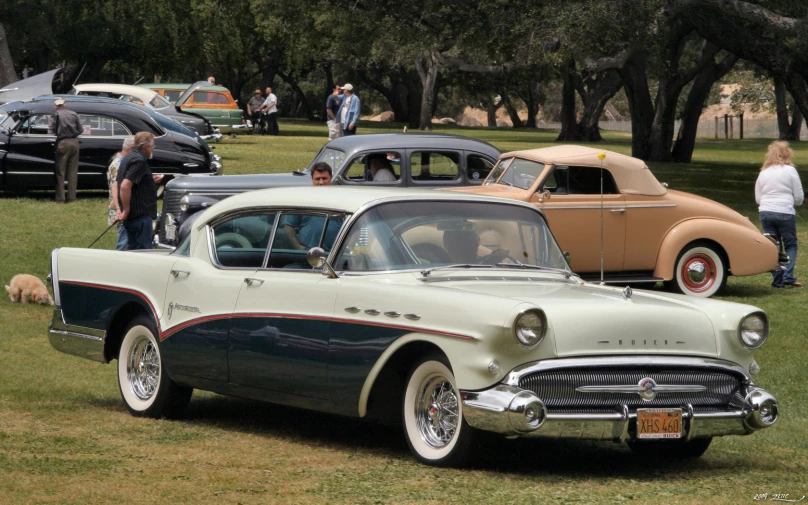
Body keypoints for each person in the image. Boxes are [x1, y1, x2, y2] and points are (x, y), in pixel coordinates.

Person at [755, 140, 804, 288]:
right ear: (787, 154)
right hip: (784, 211)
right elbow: (799, 196)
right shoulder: (790, 171)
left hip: (765, 211)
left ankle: (777, 278)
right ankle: (788, 276)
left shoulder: (763, 172)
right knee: (790, 245)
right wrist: (794, 203)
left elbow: (758, 197)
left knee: (773, 246)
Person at [116, 132, 163, 250]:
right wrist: (126, 209)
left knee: (132, 250)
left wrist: (149, 180)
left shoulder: (128, 157)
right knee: (143, 251)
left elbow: (125, 181)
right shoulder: (139, 160)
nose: (153, 149)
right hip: (139, 215)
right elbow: (124, 186)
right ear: (146, 147)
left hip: (133, 216)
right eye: (152, 146)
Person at [282, 163, 340, 251]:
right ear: (312, 180)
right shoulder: (302, 200)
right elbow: (288, 226)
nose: (321, 182)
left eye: (324, 178)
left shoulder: (341, 199)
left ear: (331, 178)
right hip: (307, 255)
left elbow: (355, 228)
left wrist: (347, 248)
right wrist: (298, 247)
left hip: (335, 255)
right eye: (317, 179)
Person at [48, 98, 83, 203]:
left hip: (62, 143)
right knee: (72, 171)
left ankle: (60, 198)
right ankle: (72, 197)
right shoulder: (74, 114)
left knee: (60, 171)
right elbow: (80, 130)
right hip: (75, 142)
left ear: (55, 106)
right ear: (65, 105)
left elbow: (50, 132)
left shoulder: (55, 116)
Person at [107, 136, 135, 251]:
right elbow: (116, 187)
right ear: (132, 148)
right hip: (120, 209)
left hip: (121, 207)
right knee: (124, 241)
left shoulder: (122, 161)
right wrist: (120, 209)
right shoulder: (118, 165)